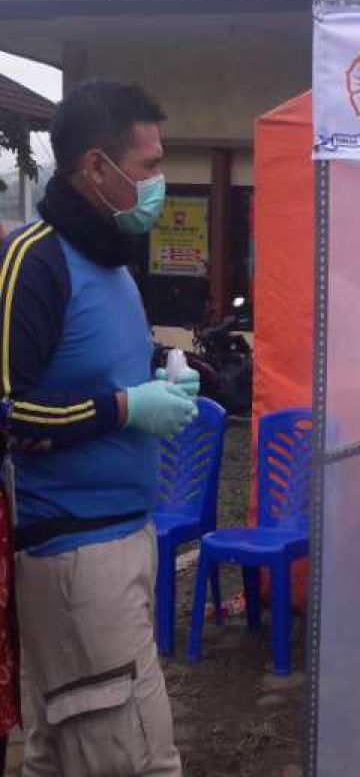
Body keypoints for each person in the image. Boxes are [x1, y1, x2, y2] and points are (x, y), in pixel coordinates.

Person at [1, 80, 197, 776]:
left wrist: (159, 378)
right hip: (76, 554)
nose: (159, 183)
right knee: (140, 760)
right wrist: (125, 408)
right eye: (147, 167)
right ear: (96, 168)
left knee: (60, 754)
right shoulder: (37, 260)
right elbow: (9, 413)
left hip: (124, 537)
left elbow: (94, 366)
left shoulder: (109, 261)